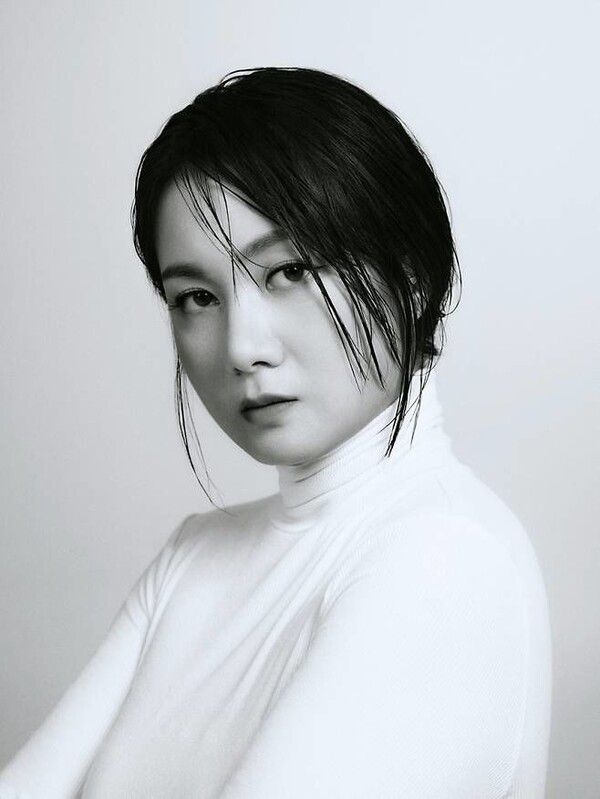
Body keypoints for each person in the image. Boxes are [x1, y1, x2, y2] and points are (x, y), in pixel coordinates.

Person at [0, 67, 552, 798]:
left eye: (289, 271)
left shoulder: (446, 558)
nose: (241, 347)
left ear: (412, 275)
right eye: (197, 297)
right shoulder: (195, 557)